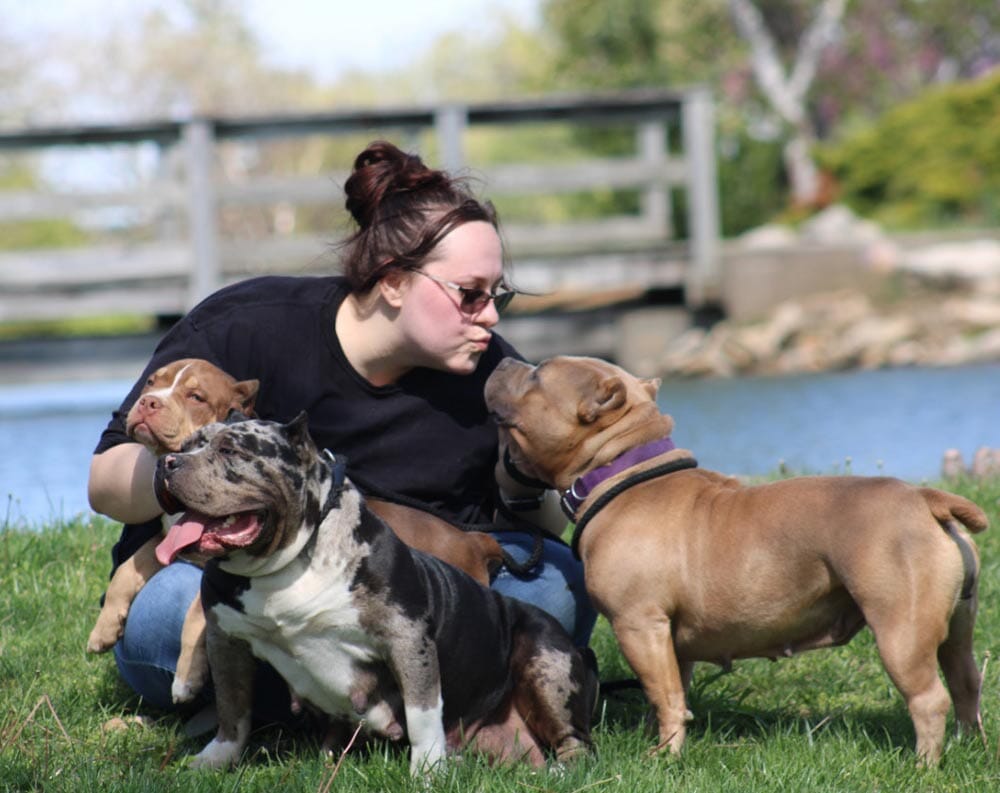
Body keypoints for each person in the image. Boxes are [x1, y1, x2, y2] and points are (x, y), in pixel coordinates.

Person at [87, 139, 597, 714]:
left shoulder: (489, 372)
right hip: (244, 578)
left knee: (558, 584)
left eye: (497, 294)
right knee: (163, 620)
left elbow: (549, 524)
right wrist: (180, 476)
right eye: (469, 295)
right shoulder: (247, 327)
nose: (490, 316)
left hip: (404, 594)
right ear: (393, 280)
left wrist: (525, 481)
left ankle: (304, 700)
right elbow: (104, 482)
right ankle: (392, 696)